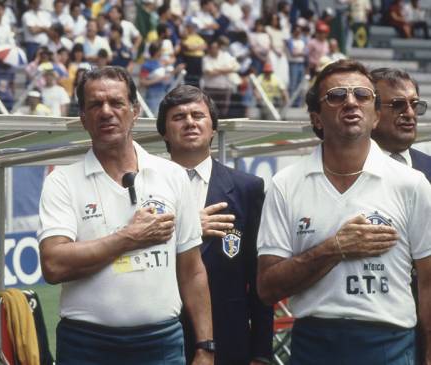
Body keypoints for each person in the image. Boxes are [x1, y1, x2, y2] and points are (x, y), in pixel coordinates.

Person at [256, 59, 431, 364]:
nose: (351, 102)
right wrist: (334, 248)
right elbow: (267, 288)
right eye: (337, 96)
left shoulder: (412, 183)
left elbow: (429, 280)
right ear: (317, 118)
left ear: (376, 115)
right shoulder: (285, 184)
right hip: (313, 344)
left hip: (390, 344)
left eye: (362, 95)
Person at [37, 66, 214, 365]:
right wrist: (129, 237)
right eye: (95, 104)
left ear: (134, 110)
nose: (106, 112)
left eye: (116, 103)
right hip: (86, 346)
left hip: (161, 343)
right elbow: (54, 264)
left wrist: (206, 346)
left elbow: (192, 270)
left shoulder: (171, 175)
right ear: (82, 117)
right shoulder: (62, 181)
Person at [156, 84, 274, 365]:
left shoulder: (247, 188)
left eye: (198, 115)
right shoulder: (144, 186)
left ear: (212, 129)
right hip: (160, 336)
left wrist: (261, 353)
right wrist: (188, 229)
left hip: (229, 340)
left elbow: (259, 277)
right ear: (164, 132)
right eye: (178, 117)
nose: (189, 122)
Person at [371, 67, 431, 365]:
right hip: (374, 325)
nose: (410, 113)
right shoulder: (346, 172)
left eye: (415, 104)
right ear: (370, 111)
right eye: (397, 104)